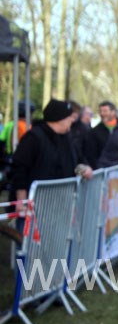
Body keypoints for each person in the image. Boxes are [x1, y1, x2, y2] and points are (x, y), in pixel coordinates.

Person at [10, 99, 93, 231]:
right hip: (35, 206)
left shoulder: (67, 138)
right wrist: (22, 200)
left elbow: (78, 158)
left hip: (60, 205)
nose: (72, 121)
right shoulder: (33, 138)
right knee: (31, 242)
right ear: (60, 119)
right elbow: (20, 169)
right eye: (70, 118)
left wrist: (84, 167)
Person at [83, 101, 118, 169]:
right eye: (100, 111)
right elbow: (91, 156)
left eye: (105, 111)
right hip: (104, 170)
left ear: (113, 112)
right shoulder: (94, 132)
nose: (102, 113)